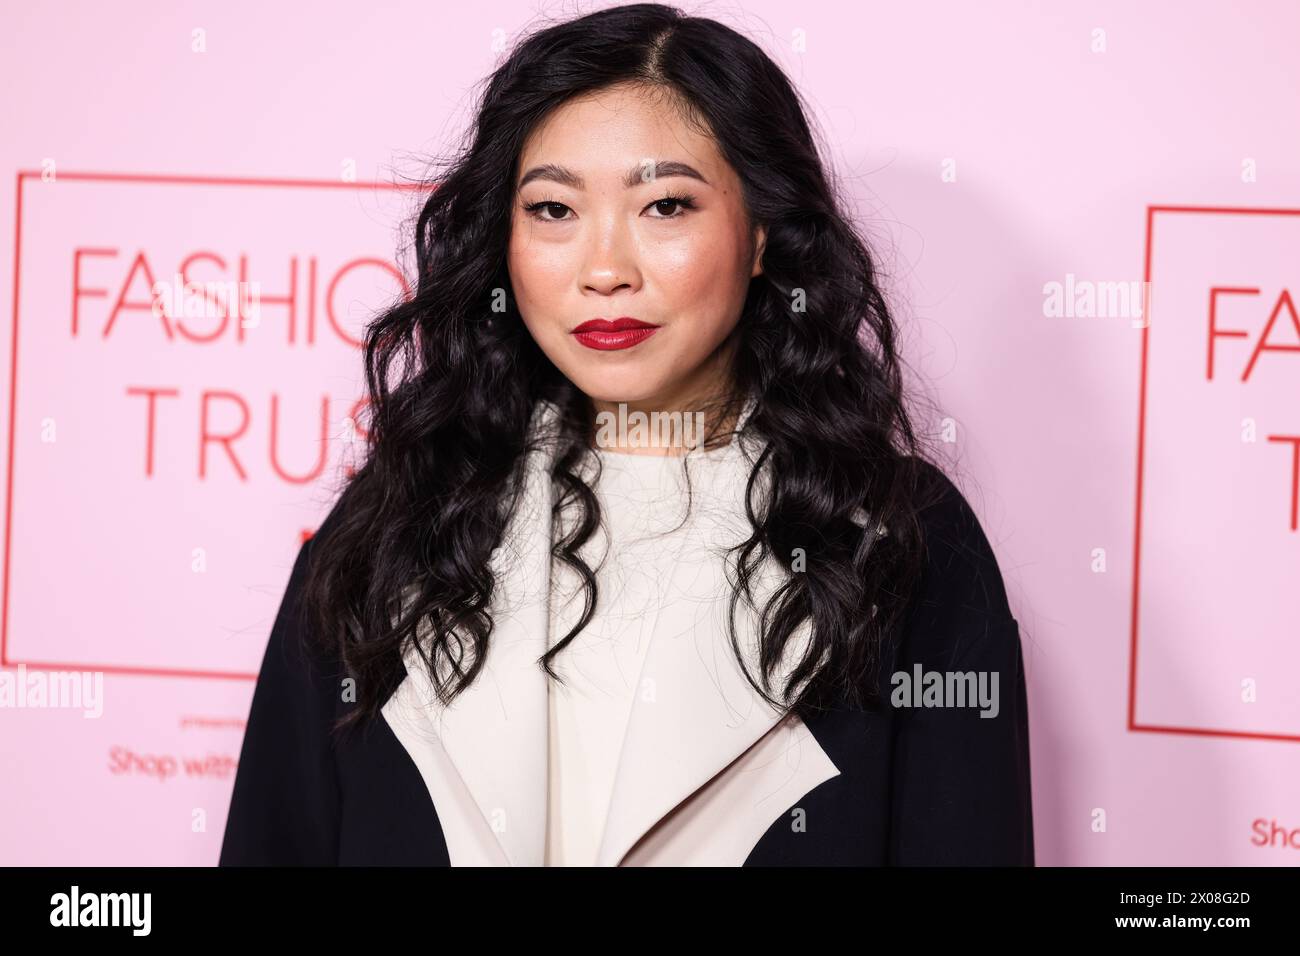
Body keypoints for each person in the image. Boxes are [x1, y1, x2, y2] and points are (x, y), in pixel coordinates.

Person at [219, 2, 1033, 867]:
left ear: (761, 232)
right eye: (553, 210)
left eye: (666, 205)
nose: (605, 269)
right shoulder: (398, 519)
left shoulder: (898, 538)